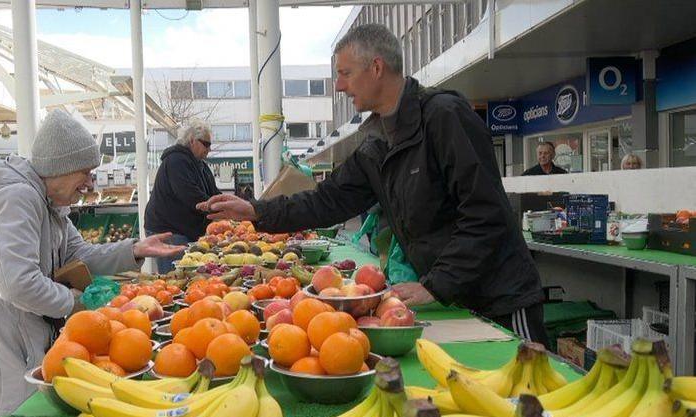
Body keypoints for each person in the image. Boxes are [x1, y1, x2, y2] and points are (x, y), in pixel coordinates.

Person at [197, 24, 548, 346]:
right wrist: (256, 210)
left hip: (501, 298)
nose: (338, 85)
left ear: (376, 68)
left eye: (345, 73)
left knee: (530, 399)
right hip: (453, 298)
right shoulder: (376, 143)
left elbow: (486, 215)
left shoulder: (444, 117)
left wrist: (434, 285)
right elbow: (328, 200)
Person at [0, 110, 184, 417]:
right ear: (61, 167)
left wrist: (133, 250)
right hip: (2, 344)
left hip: (21, 338)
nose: (90, 183)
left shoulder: (49, 203)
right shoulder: (18, 198)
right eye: (86, 172)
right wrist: (75, 302)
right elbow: (17, 282)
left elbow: (80, 253)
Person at [145, 120, 221, 273]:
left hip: (184, 229)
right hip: (169, 230)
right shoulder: (176, 160)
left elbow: (213, 193)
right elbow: (190, 195)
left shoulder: (201, 165)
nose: (209, 149)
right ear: (192, 140)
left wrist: (227, 205)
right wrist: (217, 210)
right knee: (177, 277)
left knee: (188, 275)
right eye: (206, 144)